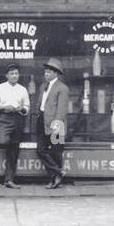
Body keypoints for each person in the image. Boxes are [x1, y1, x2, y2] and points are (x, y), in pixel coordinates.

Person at [0, 64, 30, 188]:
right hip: (4, 118)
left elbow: (27, 107)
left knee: (14, 151)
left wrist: (22, 109)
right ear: (7, 75)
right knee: (3, 142)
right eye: (11, 73)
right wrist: (3, 107)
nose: (14, 76)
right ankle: (6, 177)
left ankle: (9, 180)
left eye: (16, 73)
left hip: (17, 119)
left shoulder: (22, 89)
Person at [35, 58, 71, 189]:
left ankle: (54, 180)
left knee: (56, 152)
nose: (46, 74)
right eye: (45, 72)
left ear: (56, 73)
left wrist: (56, 125)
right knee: (40, 150)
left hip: (56, 124)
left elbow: (62, 109)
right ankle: (58, 172)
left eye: (49, 72)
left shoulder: (62, 88)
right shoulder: (42, 87)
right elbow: (40, 104)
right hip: (42, 122)